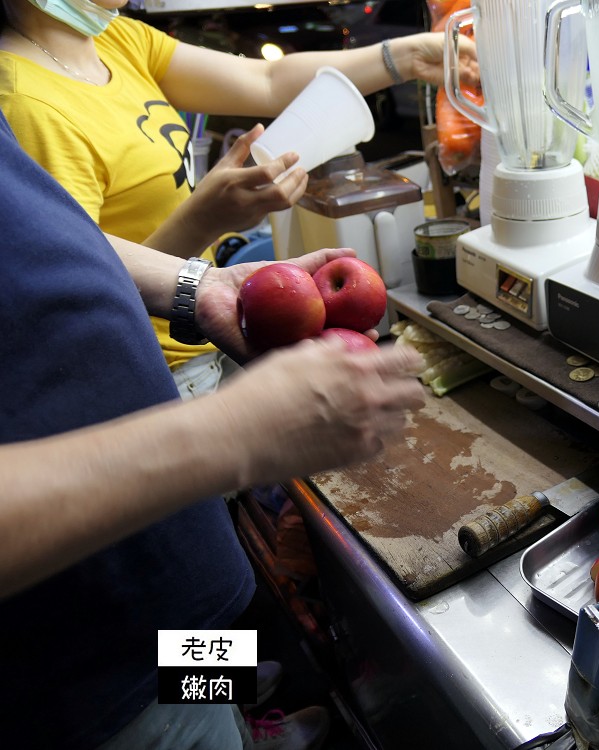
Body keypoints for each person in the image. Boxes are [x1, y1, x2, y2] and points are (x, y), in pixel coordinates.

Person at [0, 106, 425, 750]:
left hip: (150, 560)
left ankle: (238, 711)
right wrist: (228, 434)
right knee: (181, 719)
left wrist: (195, 287)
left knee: (199, 649)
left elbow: (39, 238)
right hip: (82, 675)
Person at [0, 0, 478, 398]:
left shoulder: (118, 40)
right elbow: (84, 294)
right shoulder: (24, 102)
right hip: (155, 374)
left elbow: (267, 82)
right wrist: (206, 220)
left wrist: (405, 57)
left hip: (210, 337)